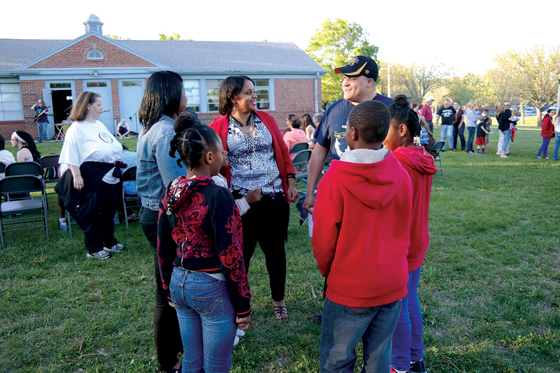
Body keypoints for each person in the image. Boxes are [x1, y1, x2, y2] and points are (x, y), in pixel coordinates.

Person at [312, 100, 412, 373]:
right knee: (379, 359)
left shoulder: (334, 180)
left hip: (349, 287)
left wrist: (329, 272)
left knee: (337, 360)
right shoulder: (402, 176)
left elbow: (322, 242)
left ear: (352, 133)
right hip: (392, 283)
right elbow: (405, 229)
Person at [158, 114, 252, 372]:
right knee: (217, 364)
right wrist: (243, 303)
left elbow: (163, 244)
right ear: (210, 157)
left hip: (179, 283)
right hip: (210, 286)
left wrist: (167, 286)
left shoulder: (171, 189)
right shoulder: (217, 194)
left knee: (191, 359)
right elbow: (231, 252)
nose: (224, 156)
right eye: (222, 151)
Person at [210, 75, 298, 320]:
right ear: (232, 98)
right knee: (241, 255)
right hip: (241, 203)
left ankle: (278, 299)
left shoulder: (267, 120)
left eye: (254, 91)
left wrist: (290, 181)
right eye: (248, 92)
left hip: (275, 199)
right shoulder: (218, 127)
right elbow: (213, 162)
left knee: (275, 252)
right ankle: (240, 304)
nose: (254, 96)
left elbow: (282, 151)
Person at [136, 71, 186, 373]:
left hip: (150, 213)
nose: (186, 97)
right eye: (183, 91)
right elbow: (175, 187)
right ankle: (168, 362)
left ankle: (178, 347)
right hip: (162, 217)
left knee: (168, 286)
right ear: (171, 95)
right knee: (166, 291)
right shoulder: (166, 131)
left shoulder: (151, 127)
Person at [383, 95, 437, 373]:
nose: (381, 136)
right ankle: (416, 359)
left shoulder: (397, 161)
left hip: (400, 243)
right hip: (418, 240)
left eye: (386, 129)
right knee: (410, 299)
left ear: (401, 130)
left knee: (399, 307)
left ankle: (399, 365)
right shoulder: (422, 156)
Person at [303, 55, 393, 214]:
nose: (345, 83)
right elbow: (319, 152)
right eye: (345, 78)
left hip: (379, 198)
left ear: (369, 81)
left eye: (352, 78)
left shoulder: (391, 108)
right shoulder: (333, 110)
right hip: (340, 195)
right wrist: (310, 193)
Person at [55, 91, 124, 260]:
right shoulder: (76, 128)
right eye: (99, 105)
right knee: (92, 212)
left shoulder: (99, 125)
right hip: (91, 174)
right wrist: (77, 175)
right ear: (88, 106)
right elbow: (71, 153)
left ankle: (109, 242)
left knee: (109, 211)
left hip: (109, 174)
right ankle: (94, 248)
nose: (102, 108)